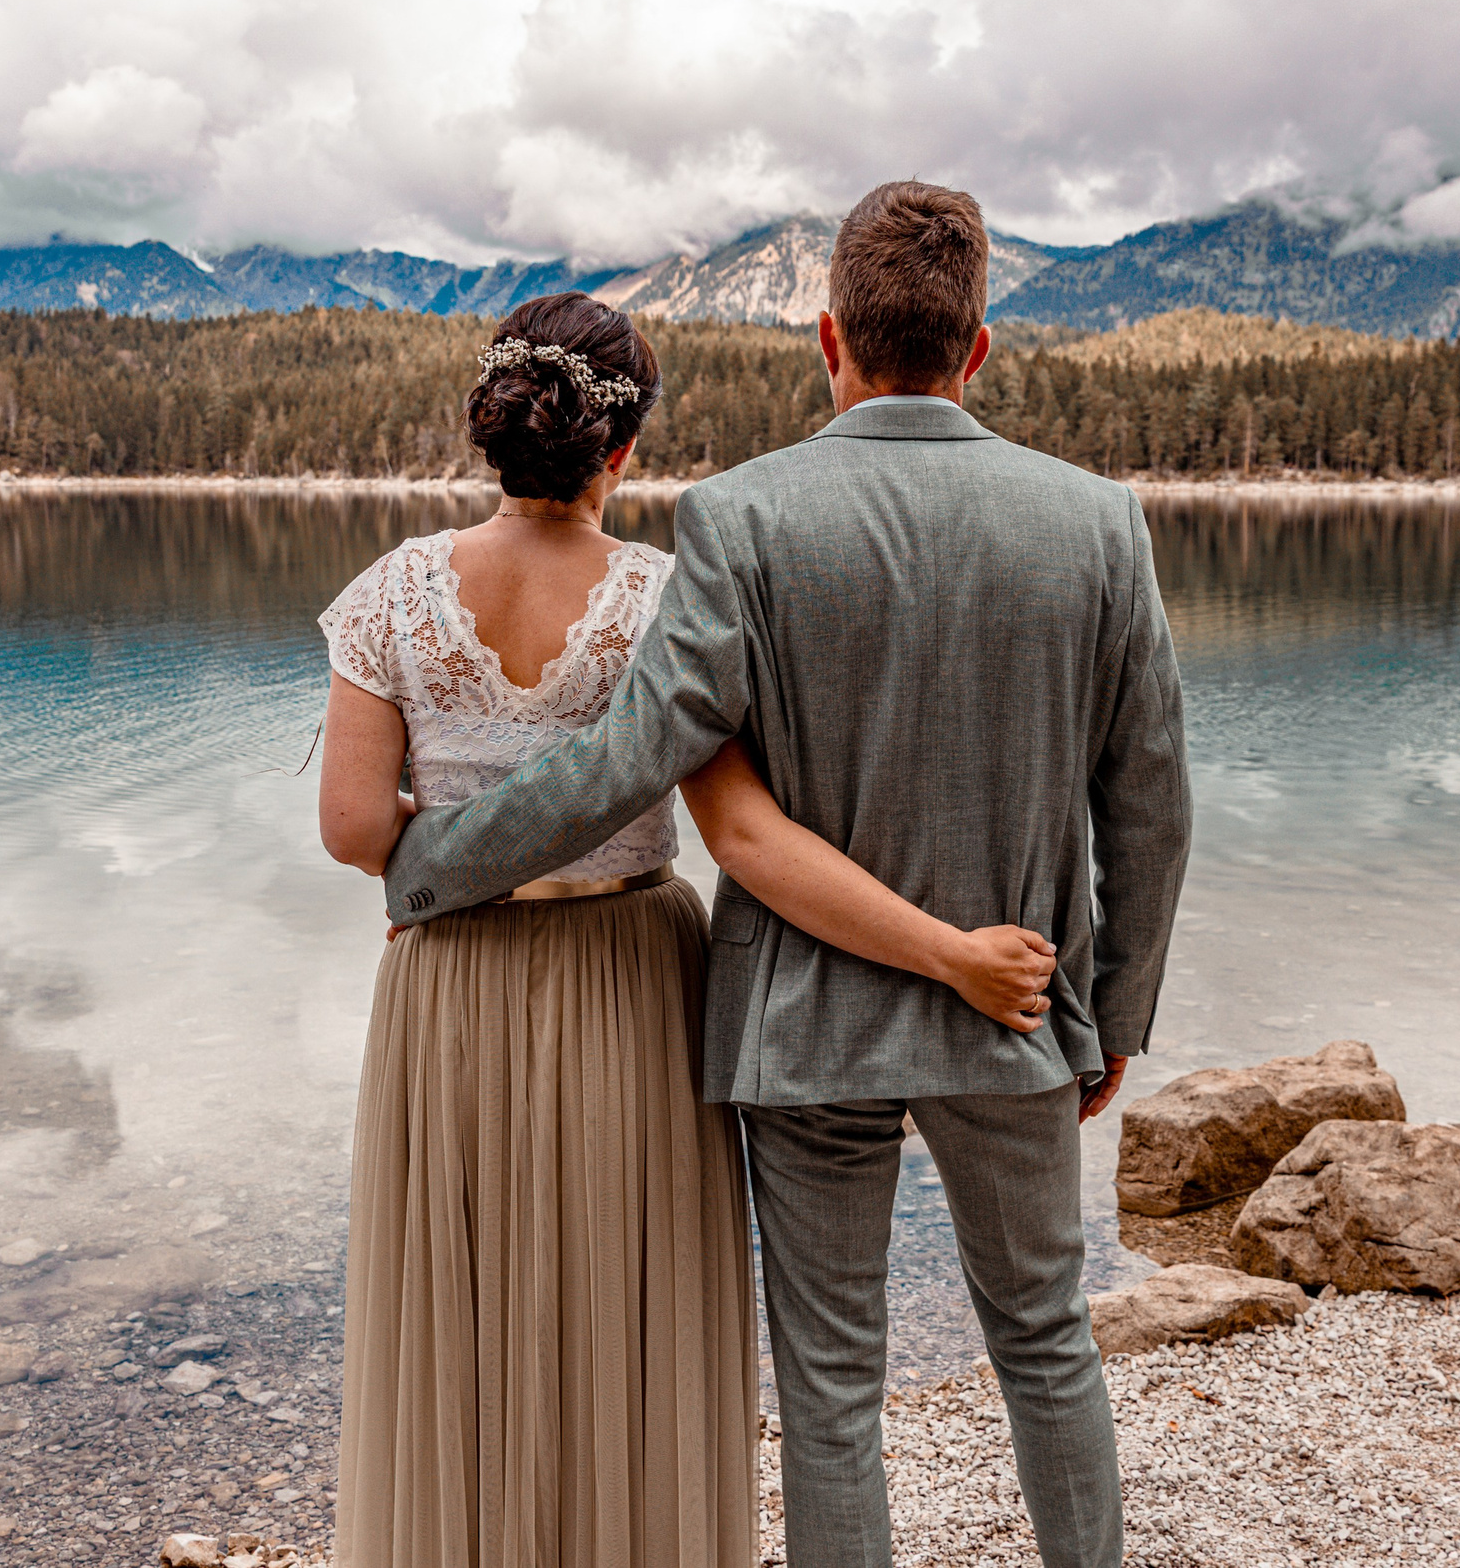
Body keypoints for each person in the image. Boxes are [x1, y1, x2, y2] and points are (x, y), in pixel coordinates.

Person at [380, 187, 1193, 1568]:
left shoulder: (741, 519)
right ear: (977, 348)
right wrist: (1117, 1015)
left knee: (831, 1393)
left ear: (830, 338)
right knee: (1048, 1344)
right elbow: (1152, 806)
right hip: (1013, 1011)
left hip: (807, 1028)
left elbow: (634, 757)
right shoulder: (1098, 524)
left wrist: (432, 865)